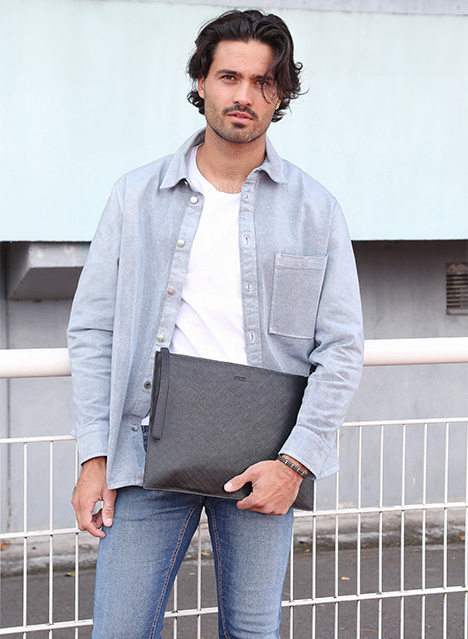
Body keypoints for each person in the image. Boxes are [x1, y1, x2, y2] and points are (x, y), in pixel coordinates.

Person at [68, 9, 363, 638]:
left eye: (263, 81)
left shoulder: (316, 210)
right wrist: (94, 456)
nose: (244, 95)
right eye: (230, 77)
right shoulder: (135, 197)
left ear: (280, 94)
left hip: (264, 460)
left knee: (252, 632)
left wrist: (295, 464)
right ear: (202, 81)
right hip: (145, 452)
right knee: (119, 629)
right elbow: (93, 331)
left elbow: (340, 348)